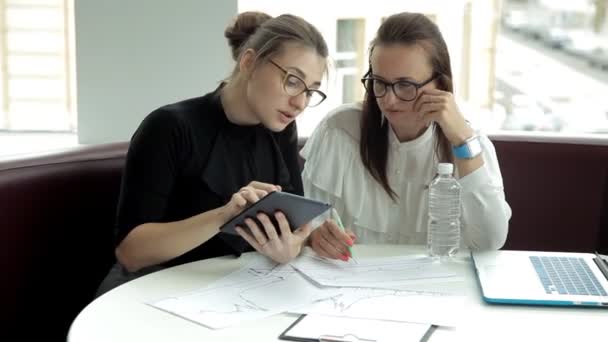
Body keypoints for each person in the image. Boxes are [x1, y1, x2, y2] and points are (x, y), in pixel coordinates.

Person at [96, 11, 329, 296]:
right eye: (293, 81)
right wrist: (225, 215)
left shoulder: (281, 129)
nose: (300, 103)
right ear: (249, 62)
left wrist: (291, 246)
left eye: (311, 91)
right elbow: (131, 253)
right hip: (148, 287)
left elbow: (296, 227)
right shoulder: (169, 126)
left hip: (230, 287)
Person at [300, 12, 511, 261]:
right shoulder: (338, 131)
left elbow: (490, 242)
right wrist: (315, 237)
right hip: (350, 289)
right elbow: (309, 225)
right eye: (379, 82)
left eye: (405, 85)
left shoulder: (471, 145)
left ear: (440, 85)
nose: (389, 100)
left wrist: (462, 142)